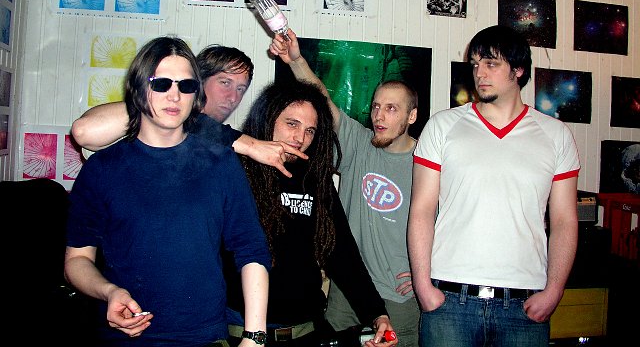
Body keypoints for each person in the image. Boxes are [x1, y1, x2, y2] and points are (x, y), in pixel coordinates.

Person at [64, 36, 271, 346]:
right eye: (161, 84)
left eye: (186, 86)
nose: (174, 96)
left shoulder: (221, 163)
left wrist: (254, 336)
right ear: (139, 88)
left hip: (203, 337)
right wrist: (109, 291)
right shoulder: (103, 168)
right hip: (124, 337)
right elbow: (77, 260)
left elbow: (251, 248)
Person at [408, 25, 580, 347]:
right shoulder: (442, 126)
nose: (479, 73)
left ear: (518, 70)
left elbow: (564, 221)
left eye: (491, 63)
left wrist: (555, 290)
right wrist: (423, 287)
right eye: (475, 64)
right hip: (449, 301)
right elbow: (421, 210)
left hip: (524, 307)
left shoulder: (556, 135)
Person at [269, 30, 420, 347]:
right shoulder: (360, 143)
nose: (378, 116)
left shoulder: (427, 162)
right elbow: (323, 101)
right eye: (376, 106)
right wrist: (296, 60)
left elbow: (451, 222)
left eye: (391, 108)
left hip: (399, 294)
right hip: (348, 290)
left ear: (412, 116)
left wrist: (426, 272)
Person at [224, 79, 398, 347]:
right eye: (291, 124)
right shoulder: (234, 169)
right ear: (269, 117)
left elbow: (341, 251)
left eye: (310, 130)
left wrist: (376, 313)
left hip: (305, 330)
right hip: (242, 332)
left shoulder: (314, 177)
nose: (300, 138)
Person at [72, 44, 306, 177]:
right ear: (198, 80)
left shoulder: (227, 143)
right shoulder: (152, 123)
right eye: (225, 83)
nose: (233, 97)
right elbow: (84, 131)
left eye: (241, 89)